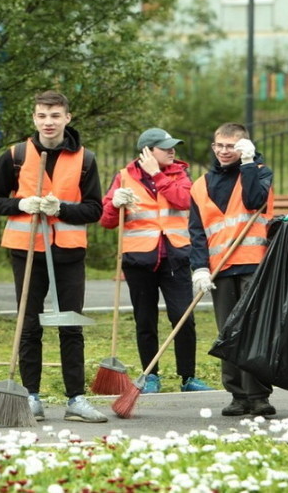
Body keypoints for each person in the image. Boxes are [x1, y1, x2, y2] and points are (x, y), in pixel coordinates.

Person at [0, 90, 107, 423]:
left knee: (70, 325)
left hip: (68, 252)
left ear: (67, 117)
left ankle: (75, 399)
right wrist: (19, 204)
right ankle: (32, 397)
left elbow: (95, 209)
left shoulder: (86, 159)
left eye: (54, 116)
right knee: (29, 325)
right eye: (41, 115)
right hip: (26, 250)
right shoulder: (16, 155)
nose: (47, 122)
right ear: (34, 117)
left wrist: (62, 209)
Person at [99, 127, 213, 394]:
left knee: (183, 318)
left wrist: (157, 174)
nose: (172, 150)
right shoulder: (123, 177)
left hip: (176, 258)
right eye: (165, 147)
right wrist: (115, 204)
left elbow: (184, 200)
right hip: (139, 261)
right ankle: (150, 376)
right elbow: (106, 221)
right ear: (147, 151)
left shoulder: (181, 175)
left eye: (173, 146)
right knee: (145, 320)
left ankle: (188, 377)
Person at [188, 122, 275, 416]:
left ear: (243, 147)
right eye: (220, 146)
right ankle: (237, 394)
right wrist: (199, 268)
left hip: (253, 264)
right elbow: (197, 231)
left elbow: (254, 200)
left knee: (253, 330)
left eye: (231, 146)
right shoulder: (200, 186)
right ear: (213, 147)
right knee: (228, 332)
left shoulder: (260, 171)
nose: (224, 151)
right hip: (219, 269)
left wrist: (249, 164)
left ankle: (258, 395)